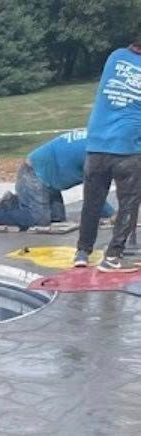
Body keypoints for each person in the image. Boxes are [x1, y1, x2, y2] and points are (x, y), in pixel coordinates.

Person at [75, 34, 141, 269]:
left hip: (96, 145)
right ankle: (113, 256)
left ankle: (82, 252)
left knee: (92, 202)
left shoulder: (115, 57)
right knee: (129, 203)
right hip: (126, 148)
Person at [0, 129, 109, 231]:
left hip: (50, 181)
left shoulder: (98, 139)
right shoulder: (95, 152)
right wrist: (111, 215)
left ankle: (17, 201)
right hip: (33, 174)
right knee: (39, 221)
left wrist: (105, 215)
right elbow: (94, 190)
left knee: (57, 220)